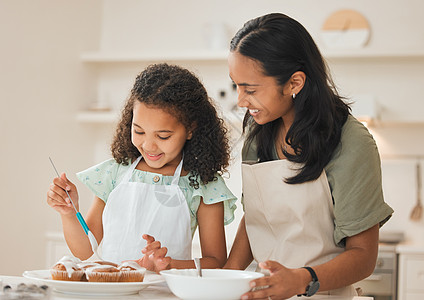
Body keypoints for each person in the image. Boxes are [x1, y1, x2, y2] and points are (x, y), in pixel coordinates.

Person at [223, 13, 394, 299]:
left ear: (295, 83)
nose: (241, 100)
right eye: (236, 85)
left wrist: (301, 280)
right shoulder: (258, 130)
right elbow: (255, 218)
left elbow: (363, 255)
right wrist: (227, 276)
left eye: (250, 89)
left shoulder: (351, 142)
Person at [46, 63, 237, 271]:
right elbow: (84, 250)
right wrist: (68, 213)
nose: (148, 145)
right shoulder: (113, 173)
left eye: (163, 136)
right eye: (138, 131)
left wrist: (168, 265)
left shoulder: (203, 184)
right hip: (112, 290)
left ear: (191, 129)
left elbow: (216, 261)